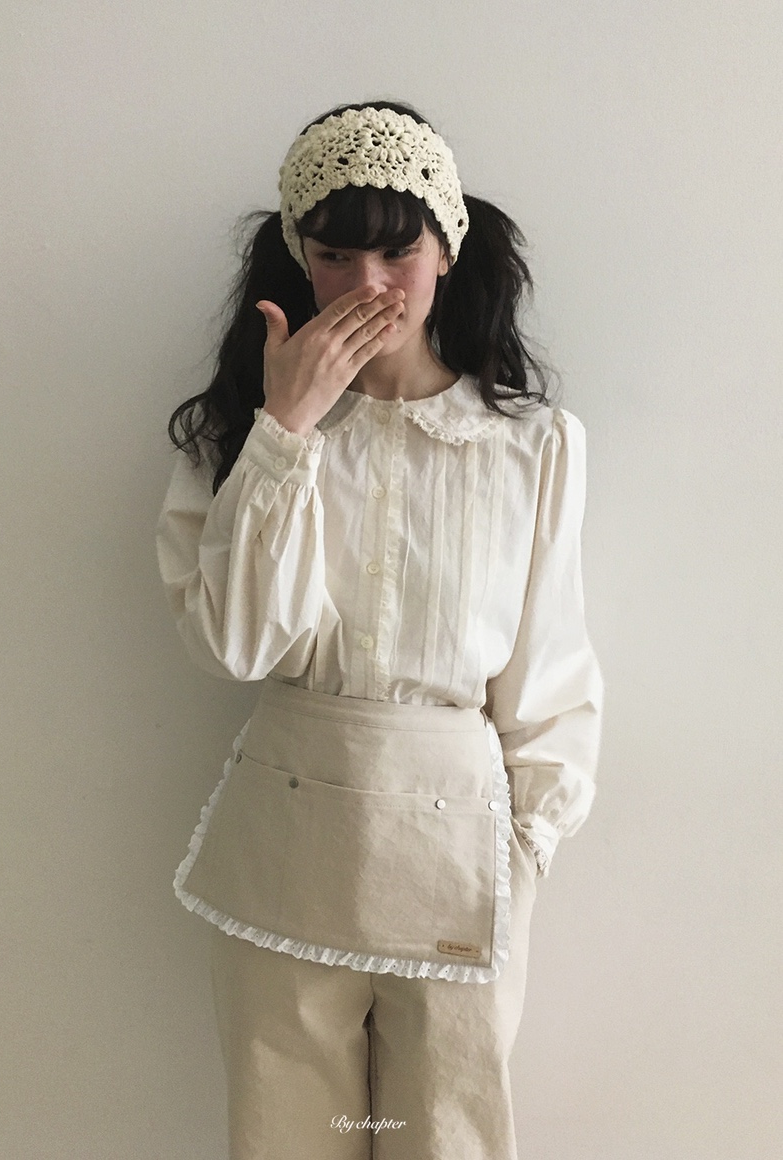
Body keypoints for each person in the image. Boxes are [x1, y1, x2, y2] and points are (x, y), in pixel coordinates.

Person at [156, 100, 603, 1160]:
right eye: (334, 254)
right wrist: (286, 429)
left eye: (399, 251)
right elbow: (235, 645)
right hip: (287, 832)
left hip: (462, 849)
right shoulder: (242, 435)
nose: (368, 285)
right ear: (299, 260)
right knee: (287, 1136)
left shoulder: (532, 445)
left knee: (444, 1138)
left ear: (447, 249)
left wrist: (528, 850)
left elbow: (549, 674)